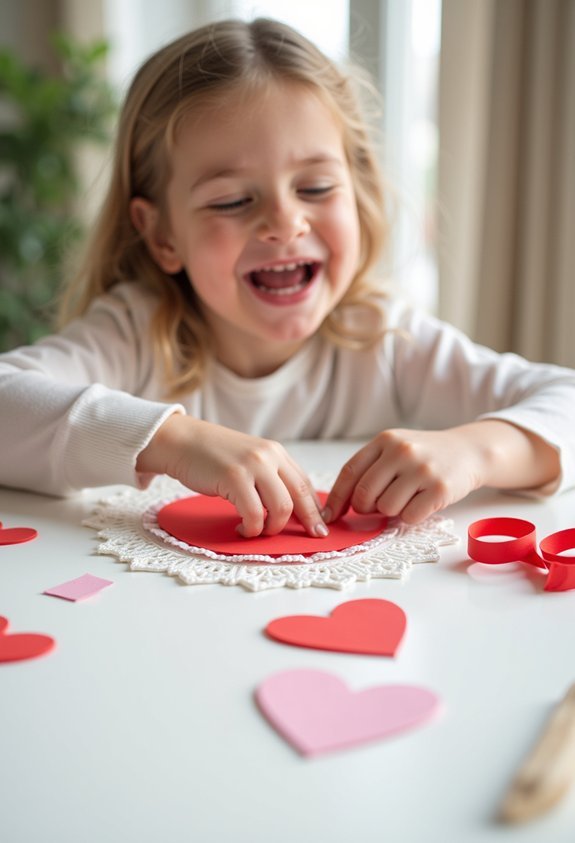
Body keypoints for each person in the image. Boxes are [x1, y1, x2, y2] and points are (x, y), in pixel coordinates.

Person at [1, 18, 574, 541]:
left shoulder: (386, 342)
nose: (284, 222)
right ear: (162, 236)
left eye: (316, 188)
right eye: (232, 200)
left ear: (359, 194)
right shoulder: (133, 335)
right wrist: (172, 442)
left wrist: (473, 449)